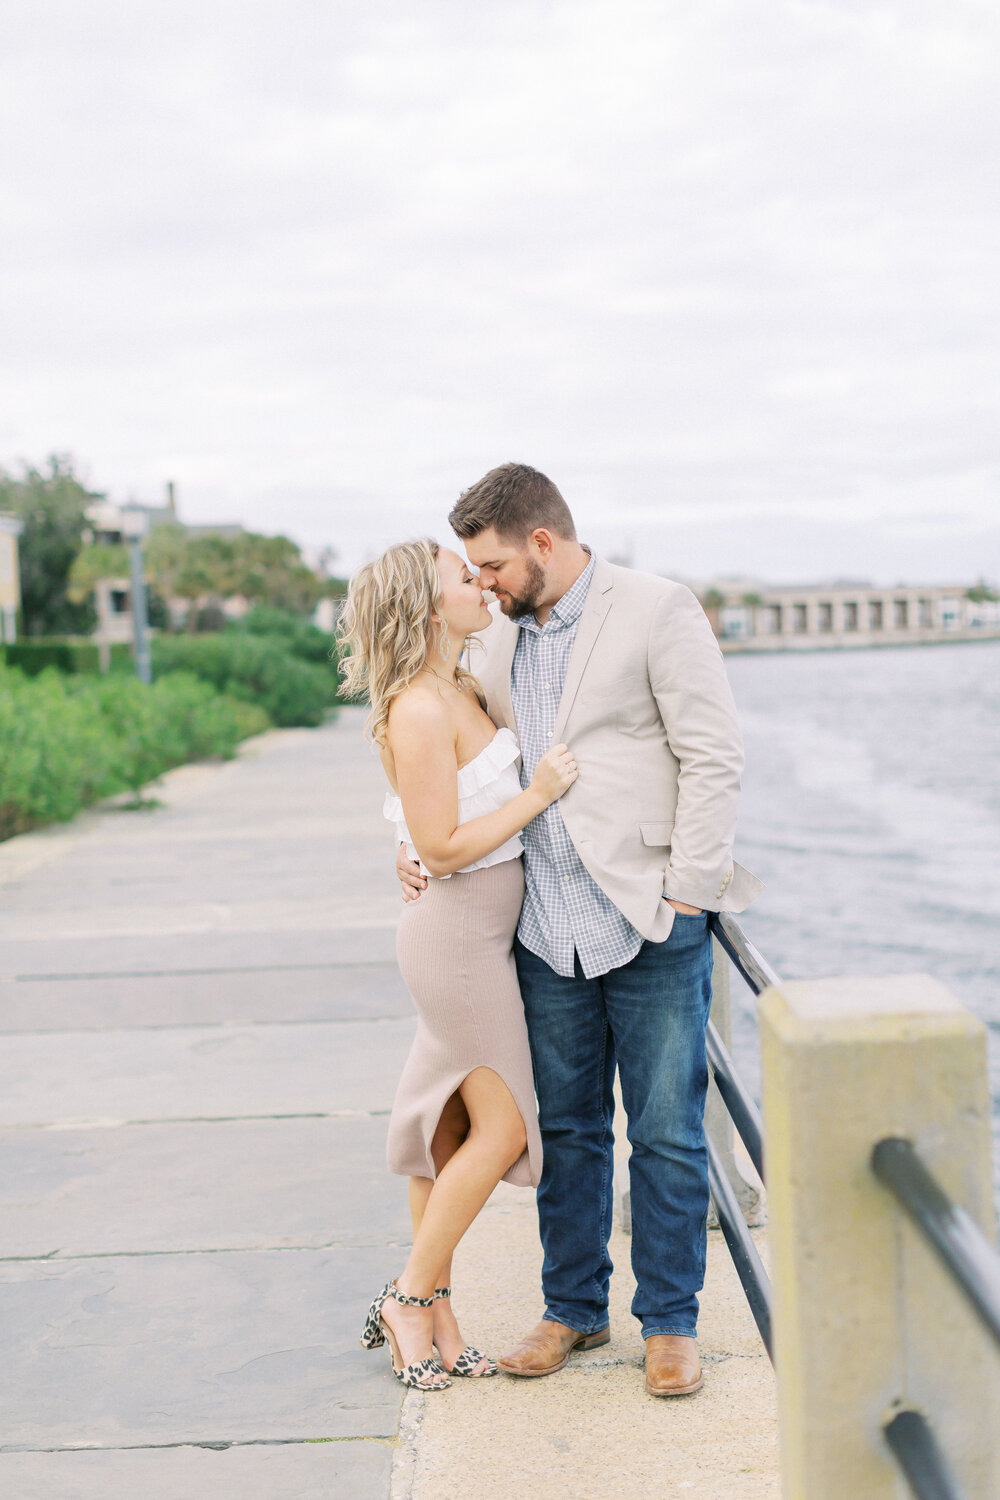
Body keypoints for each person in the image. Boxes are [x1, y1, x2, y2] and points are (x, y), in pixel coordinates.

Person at [396, 463, 762, 1397]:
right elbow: (437, 745)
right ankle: (572, 1309)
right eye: (471, 574)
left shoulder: (656, 607)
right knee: (565, 1128)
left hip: (649, 918)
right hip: (540, 927)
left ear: (542, 545)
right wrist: (412, 845)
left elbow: (712, 754)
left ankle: (671, 1323)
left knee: (670, 1131)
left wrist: (688, 894)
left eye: (491, 567)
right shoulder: (494, 642)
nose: (481, 585)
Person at [339, 537, 578, 1391]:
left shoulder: (462, 685)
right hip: (457, 940)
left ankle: (438, 1321)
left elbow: (423, 822)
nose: (478, 583)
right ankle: (407, 1297)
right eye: (460, 575)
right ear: (424, 605)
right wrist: (538, 795)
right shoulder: (418, 706)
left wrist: (402, 844)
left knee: (445, 1134)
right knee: (505, 1126)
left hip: (478, 935)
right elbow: (441, 847)